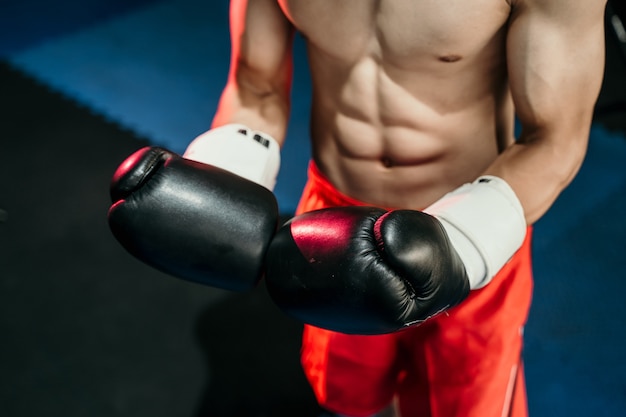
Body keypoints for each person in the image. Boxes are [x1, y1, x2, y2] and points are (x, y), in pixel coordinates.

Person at [108, 0, 608, 416]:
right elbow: (255, 87)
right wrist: (222, 178)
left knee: (465, 404)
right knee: (348, 397)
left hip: (468, 232)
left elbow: (554, 139)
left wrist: (459, 244)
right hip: (331, 221)